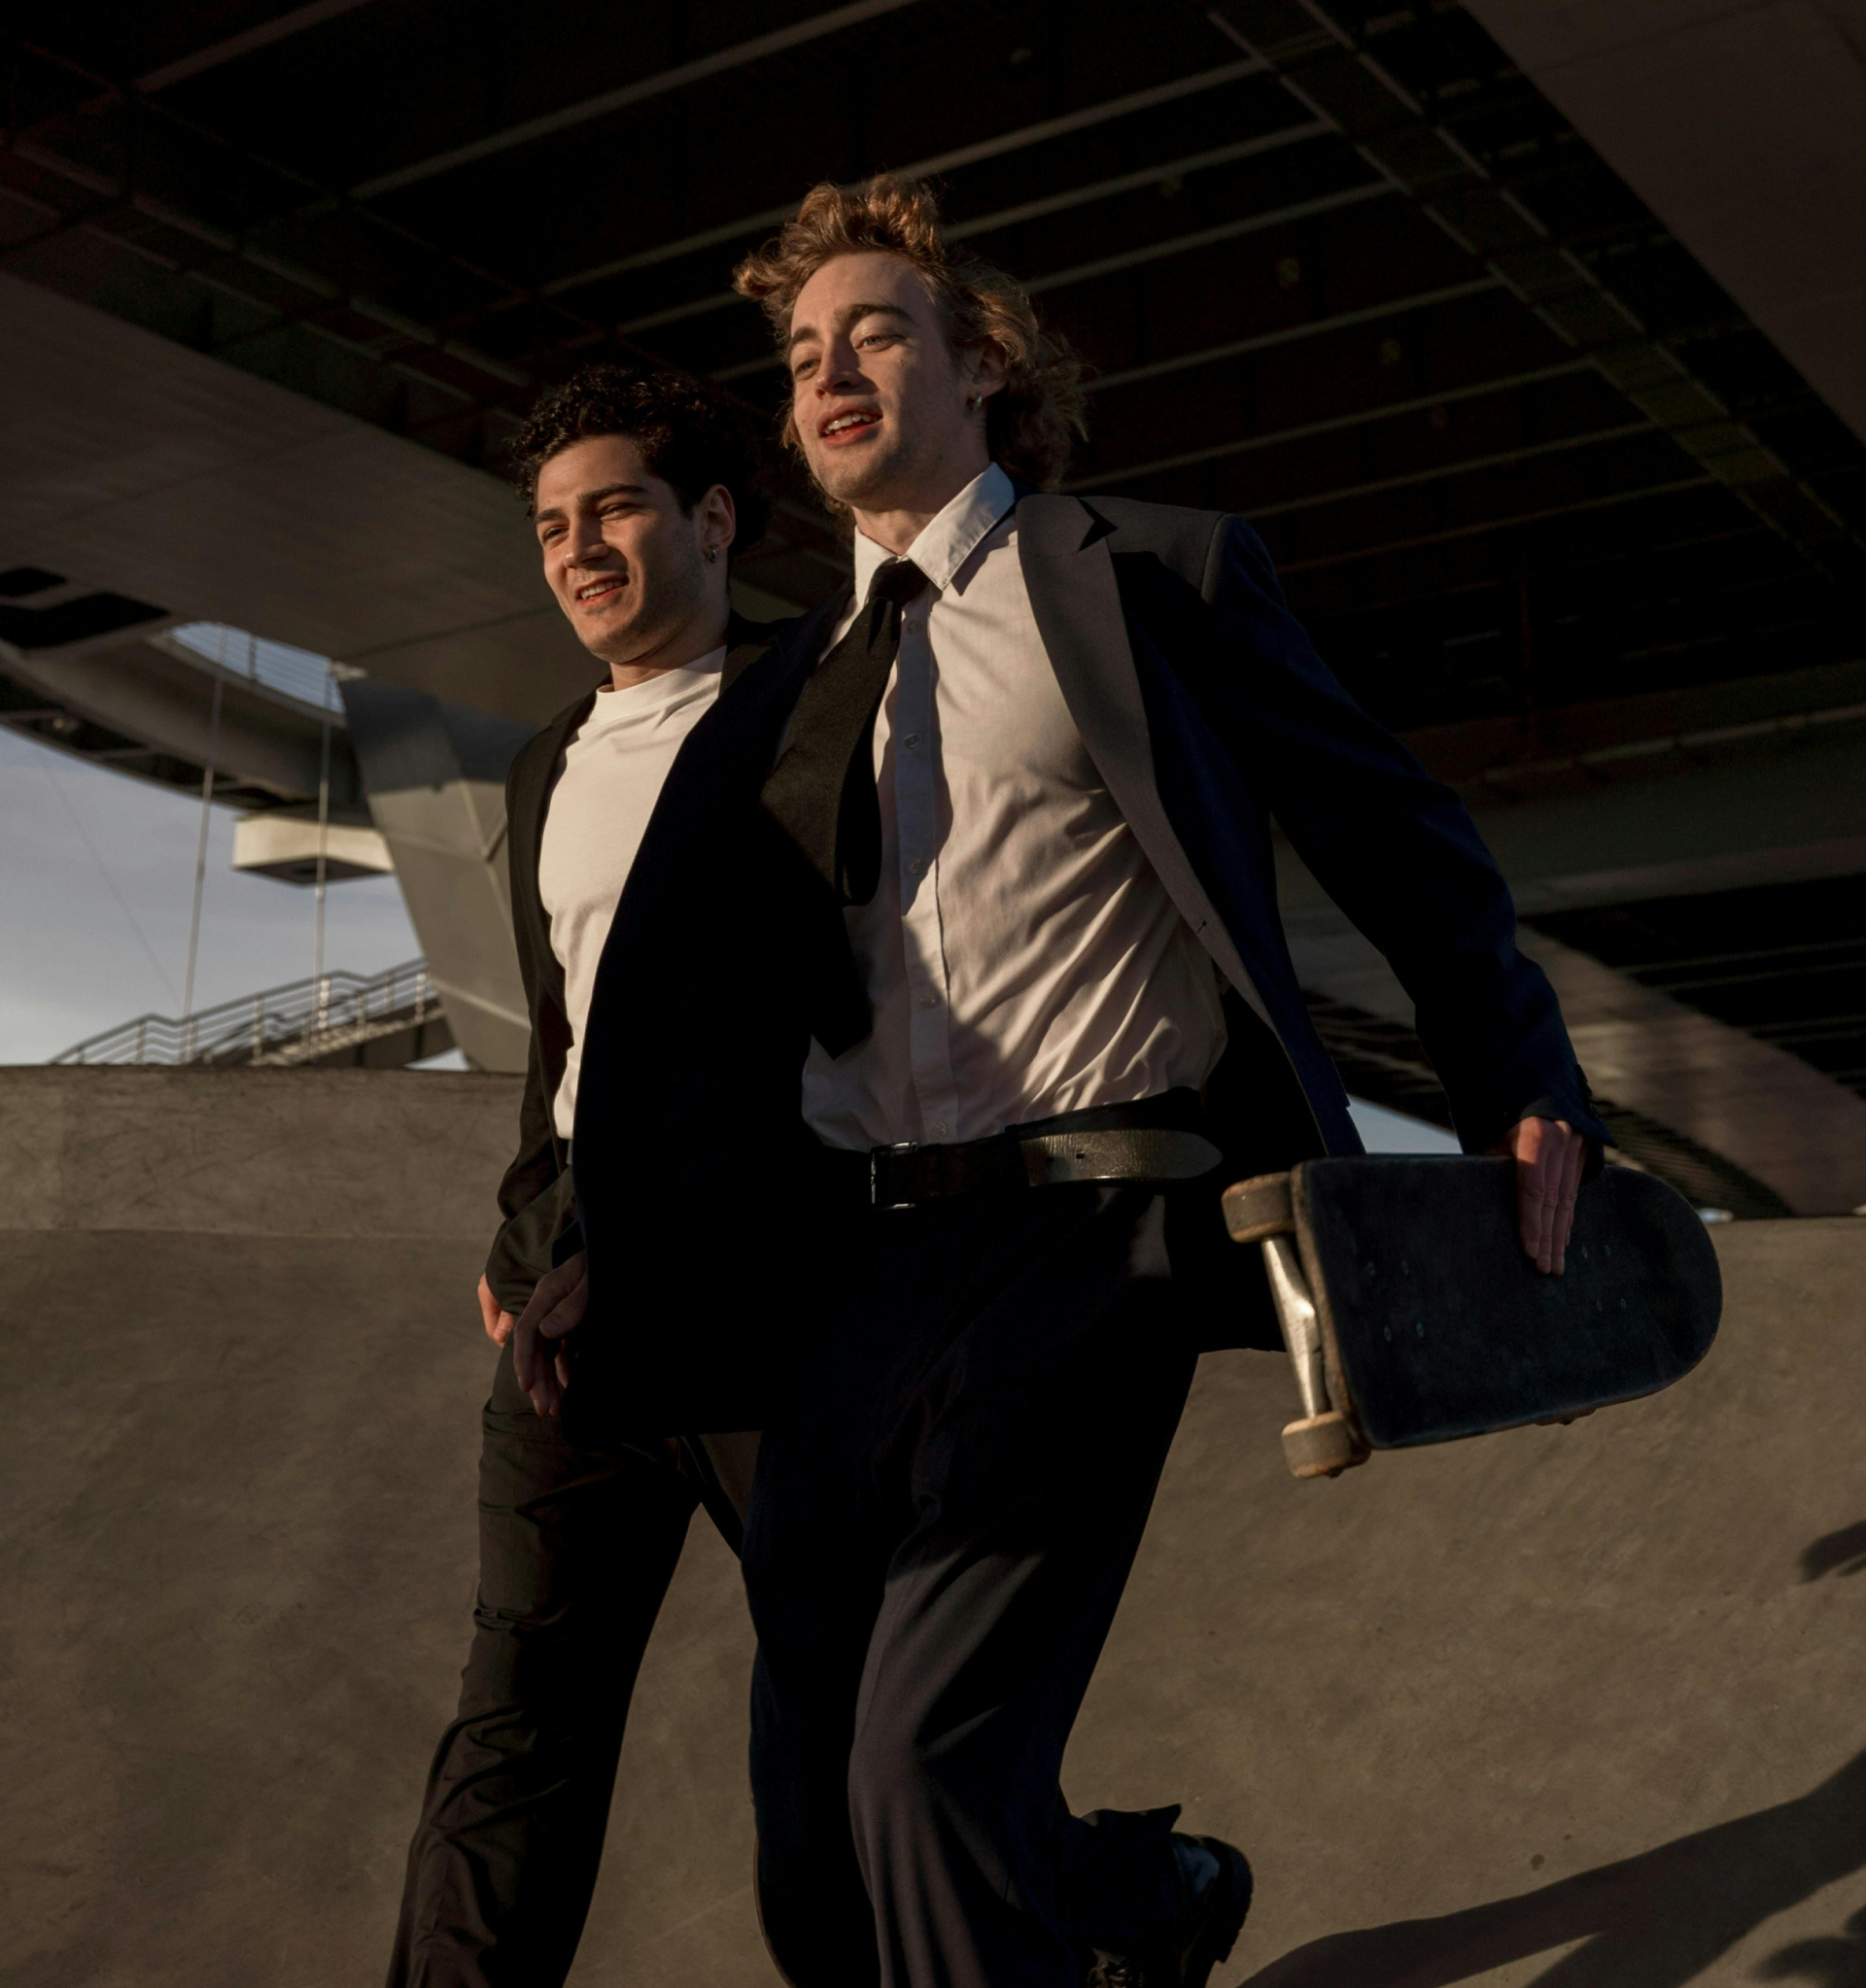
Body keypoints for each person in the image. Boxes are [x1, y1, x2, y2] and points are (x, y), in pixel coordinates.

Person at [711, 176, 1608, 1988]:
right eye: (804, 351)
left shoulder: (1145, 574)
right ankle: (1141, 1901)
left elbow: (1399, 834)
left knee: (927, 1763)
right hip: (851, 1277)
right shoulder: (794, 686)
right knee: (820, 1827)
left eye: (876, 330)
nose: (831, 371)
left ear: (982, 365)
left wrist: (1522, 1077)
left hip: (1086, 1232)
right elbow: (685, 1002)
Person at [385, 365, 780, 1987]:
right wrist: (524, 1210)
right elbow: (566, 1028)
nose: (579, 548)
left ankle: (1104, 1907)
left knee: (882, 1711)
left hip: (771, 1291)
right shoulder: (546, 762)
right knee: (519, 1713)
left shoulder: (822, 705)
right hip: (574, 1302)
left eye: (614, 506)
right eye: (554, 524)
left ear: (712, 518)